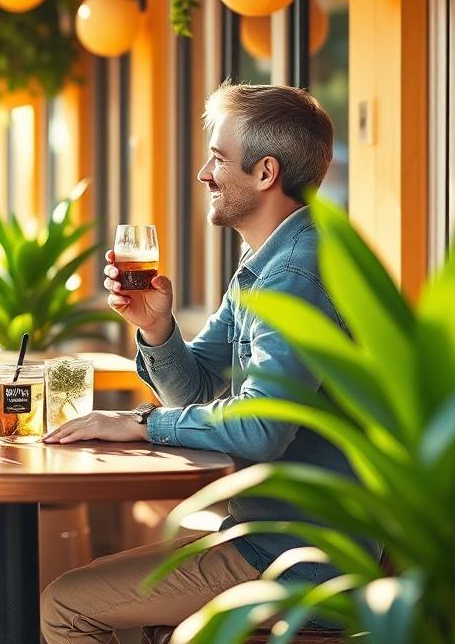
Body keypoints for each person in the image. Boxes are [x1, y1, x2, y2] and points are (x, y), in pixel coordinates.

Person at [40, 83, 354, 642]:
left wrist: (139, 425)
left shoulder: (296, 275)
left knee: (67, 605)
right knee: (90, 591)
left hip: (297, 561)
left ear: (265, 173)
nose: (204, 174)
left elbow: (259, 429)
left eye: (217, 158)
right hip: (263, 536)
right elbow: (200, 392)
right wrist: (156, 328)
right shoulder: (268, 262)